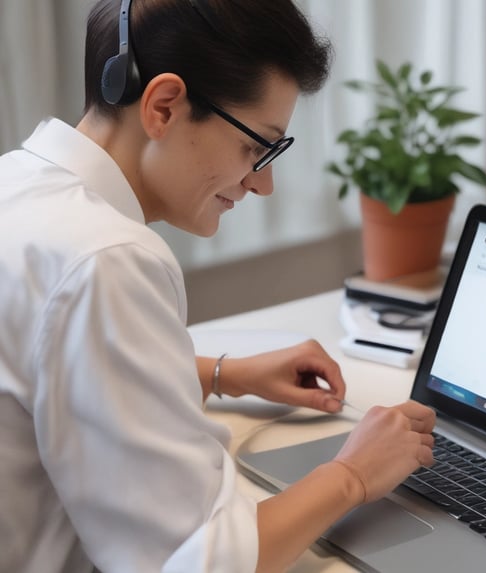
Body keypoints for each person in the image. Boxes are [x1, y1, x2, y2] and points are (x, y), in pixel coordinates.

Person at [0, 1, 436, 572]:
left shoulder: (19, 184)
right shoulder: (107, 260)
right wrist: (353, 475)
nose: (264, 185)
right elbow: (194, 563)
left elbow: (44, 374)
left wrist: (221, 374)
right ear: (163, 106)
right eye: (256, 147)